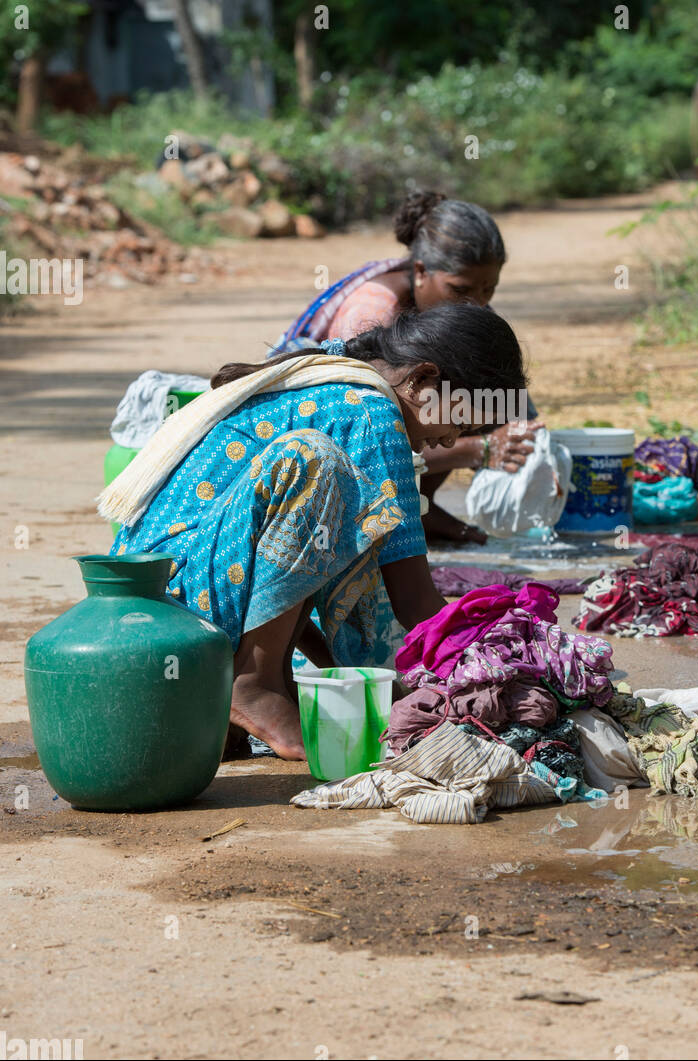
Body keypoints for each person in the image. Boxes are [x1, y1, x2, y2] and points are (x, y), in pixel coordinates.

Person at [98, 306, 528, 761]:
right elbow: (415, 601)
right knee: (314, 461)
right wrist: (499, 660)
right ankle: (252, 684)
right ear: (422, 380)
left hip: (159, 612)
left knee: (362, 530)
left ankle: (258, 685)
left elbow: (285, 565)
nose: (450, 441)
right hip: (175, 607)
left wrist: (357, 680)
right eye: (460, 422)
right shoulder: (372, 409)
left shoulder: (345, 389)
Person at [274, 191, 542, 542]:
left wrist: (533, 448)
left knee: (482, 394)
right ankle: (406, 511)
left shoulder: (463, 307)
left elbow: (511, 403)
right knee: (450, 405)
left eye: (488, 290)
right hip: (334, 448)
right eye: (461, 289)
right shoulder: (369, 314)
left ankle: (419, 504)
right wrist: (484, 448)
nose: (478, 303)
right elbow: (358, 437)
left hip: (395, 425)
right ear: (419, 272)